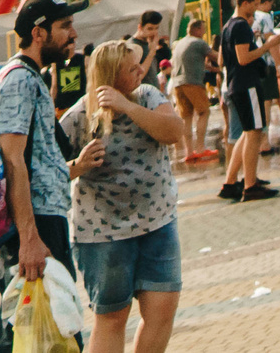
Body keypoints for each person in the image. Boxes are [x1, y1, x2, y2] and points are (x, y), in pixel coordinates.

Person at [61, 39, 187, 353]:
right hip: (104, 234)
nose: (141, 71)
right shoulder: (80, 116)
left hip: (158, 223)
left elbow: (173, 131)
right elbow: (47, 171)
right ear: (110, 76)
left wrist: (127, 106)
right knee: (112, 318)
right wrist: (79, 165)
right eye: (131, 69)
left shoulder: (147, 95)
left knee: (162, 310)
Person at [0, 0, 87, 352]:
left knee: (44, 331)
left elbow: (39, 159)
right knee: (32, 332)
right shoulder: (19, 81)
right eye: (64, 27)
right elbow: (12, 159)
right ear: (38, 33)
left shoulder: (33, 78)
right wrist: (30, 238)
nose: (73, 34)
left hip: (44, 218)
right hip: (34, 225)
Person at [216, 0, 279, 202]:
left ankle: (230, 182)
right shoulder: (241, 26)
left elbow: (223, 60)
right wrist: (268, 46)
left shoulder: (227, 26)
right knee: (254, 133)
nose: (256, 9)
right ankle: (250, 185)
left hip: (234, 84)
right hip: (247, 84)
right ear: (245, 3)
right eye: (254, 4)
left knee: (246, 132)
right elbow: (244, 58)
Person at [170, 18, 214, 164]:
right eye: (203, 29)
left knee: (186, 117)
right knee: (204, 112)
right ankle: (200, 149)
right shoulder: (198, 42)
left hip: (178, 83)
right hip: (193, 82)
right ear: (196, 30)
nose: (204, 32)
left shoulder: (180, 43)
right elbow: (215, 56)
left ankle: (189, 152)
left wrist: (213, 69)